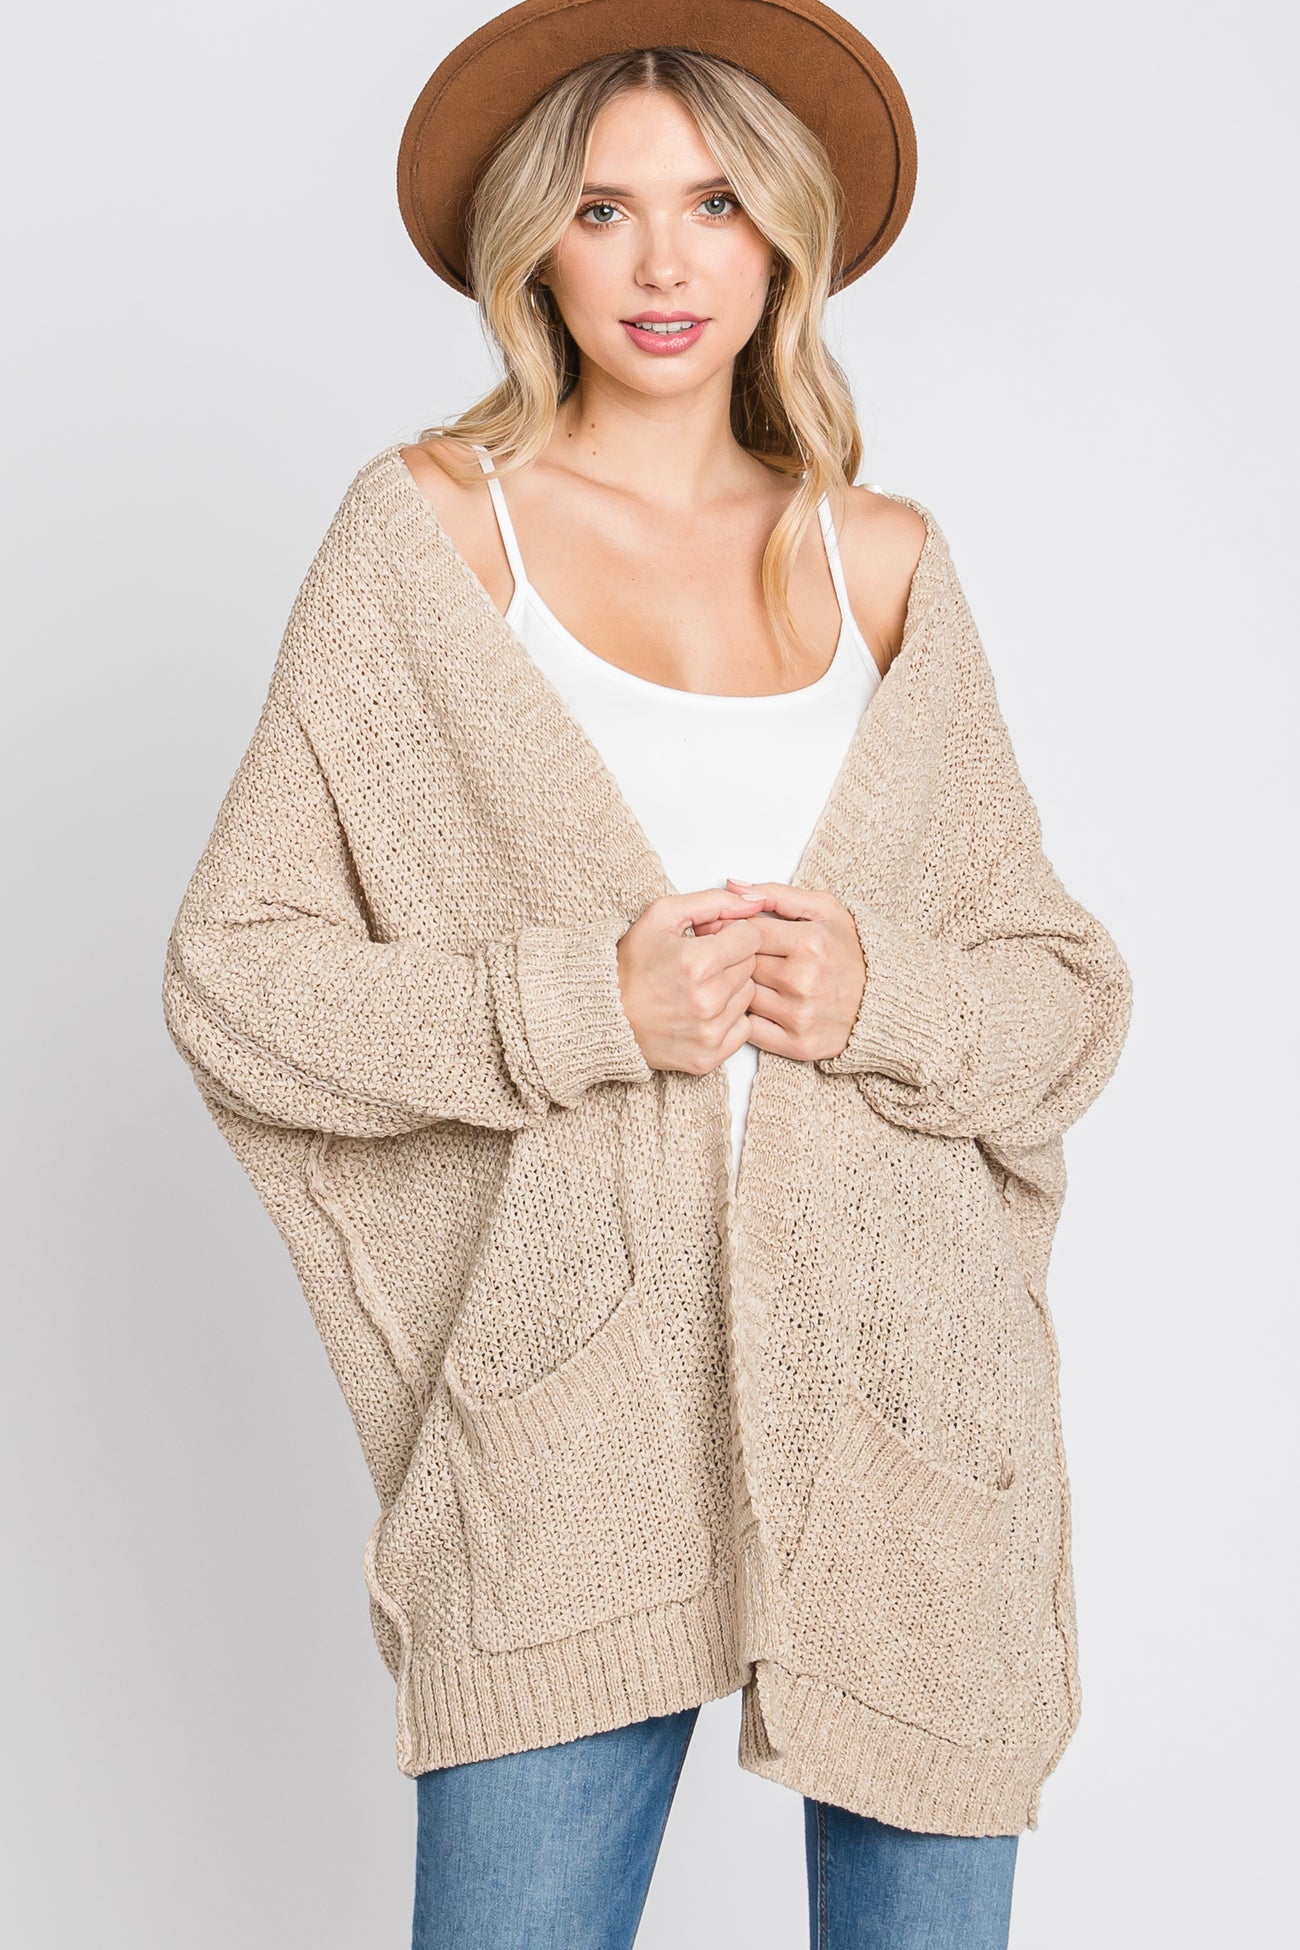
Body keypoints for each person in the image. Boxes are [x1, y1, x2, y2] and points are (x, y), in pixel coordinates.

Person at [162, 6, 1134, 1947]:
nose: (663, 261)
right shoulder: (430, 538)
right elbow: (237, 977)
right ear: (535, 241)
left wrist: (885, 1001)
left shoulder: (881, 563)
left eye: (714, 203)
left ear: (784, 237)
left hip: (907, 1421)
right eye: (603, 208)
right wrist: (577, 1011)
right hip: (570, 1432)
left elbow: (1064, 994)